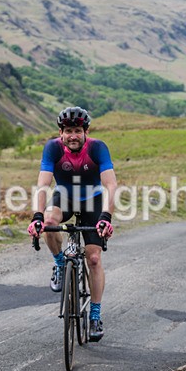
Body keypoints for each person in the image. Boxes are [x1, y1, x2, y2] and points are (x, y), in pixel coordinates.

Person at [27, 107, 117, 342]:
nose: (73, 135)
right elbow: (43, 185)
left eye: (78, 130)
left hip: (92, 201)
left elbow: (111, 186)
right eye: (68, 131)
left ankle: (95, 316)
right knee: (48, 222)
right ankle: (59, 263)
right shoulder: (53, 148)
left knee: (94, 258)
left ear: (86, 131)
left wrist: (106, 217)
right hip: (64, 197)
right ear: (61, 132)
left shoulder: (98, 148)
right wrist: (37, 215)